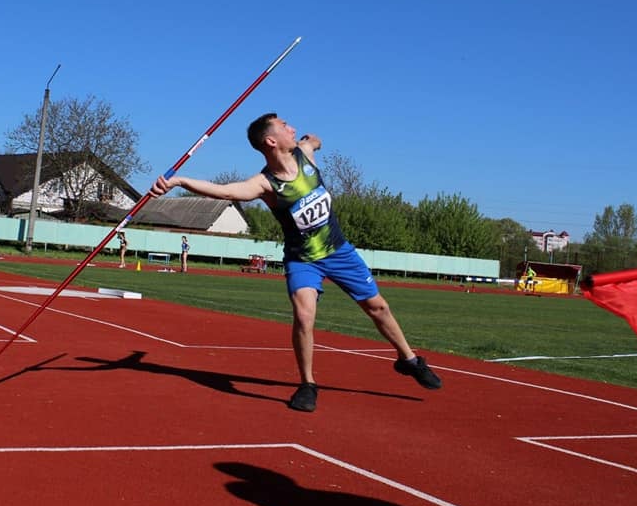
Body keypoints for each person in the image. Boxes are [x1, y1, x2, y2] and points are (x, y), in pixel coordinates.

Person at [151, 112, 442, 412]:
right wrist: (180, 181)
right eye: (285, 127)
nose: (293, 128)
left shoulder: (304, 154)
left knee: (378, 307)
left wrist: (312, 141)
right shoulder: (265, 184)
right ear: (271, 140)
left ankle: (408, 359)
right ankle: (307, 384)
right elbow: (225, 191)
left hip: (339, 252)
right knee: (304, 317)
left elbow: (314, 140)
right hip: (304, 260)